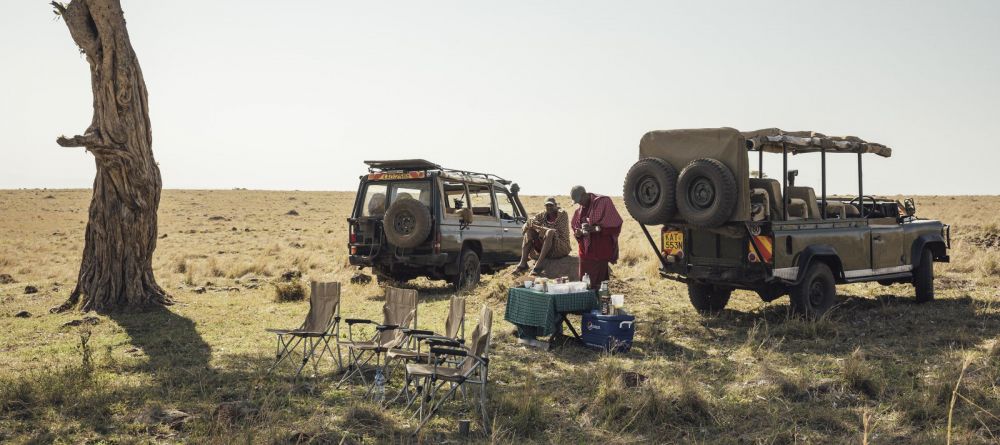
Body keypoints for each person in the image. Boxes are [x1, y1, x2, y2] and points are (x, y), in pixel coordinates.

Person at [570, 185, 623, 289]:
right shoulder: (579, 211)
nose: (579, 204)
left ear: (585, 195)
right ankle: (587, 303)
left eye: (580, 200)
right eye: (577, 202)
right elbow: (575, 227)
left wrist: (596, 229)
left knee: (600, 286)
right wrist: (578, 233)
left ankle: (600, 304)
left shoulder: (603, 202)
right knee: (584, 284)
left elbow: (615, 225)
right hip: (585, 253)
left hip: (601, 250)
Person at [515, 197, 571, 274]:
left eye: (551, 205)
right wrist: (527, 225)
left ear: (555, 205)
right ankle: (523, 263)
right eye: (547, 206)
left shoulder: (562, 214)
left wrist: (539, 228)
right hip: (547, 247)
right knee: (530, 231)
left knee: (550, 232)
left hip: (560, 247)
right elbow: (531, 221)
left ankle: (538, 265)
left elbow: (555, 231)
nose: (549, 207)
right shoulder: (543, 214)